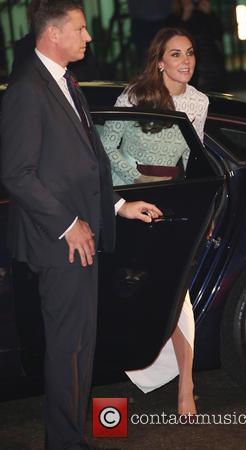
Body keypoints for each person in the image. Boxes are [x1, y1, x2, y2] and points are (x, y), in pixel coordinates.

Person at [0, 1, 161, 449]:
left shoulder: (64, 82)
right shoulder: (27, 91)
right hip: (60, 243)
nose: (88, 37)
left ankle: (69, 437)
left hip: (82, 236)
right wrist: (69, 223)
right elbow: (17, 173)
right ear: (54, 34)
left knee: (79, 347)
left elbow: (81, 169)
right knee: (68, 347)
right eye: (81, 29)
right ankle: (65, 442)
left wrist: (117, 206)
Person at [101, 27, 209, 414]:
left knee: (179, 296)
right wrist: (132, 176)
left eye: (190, 53)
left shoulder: (199, 102)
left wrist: (201, 208)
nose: (186, 61)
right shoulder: (134, 96)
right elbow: (104, 146)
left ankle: (187, 384)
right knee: (150, 292)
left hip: (174, 203)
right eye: (176, 54)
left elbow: (193, 158)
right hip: (132, 204)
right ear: (160, 61)